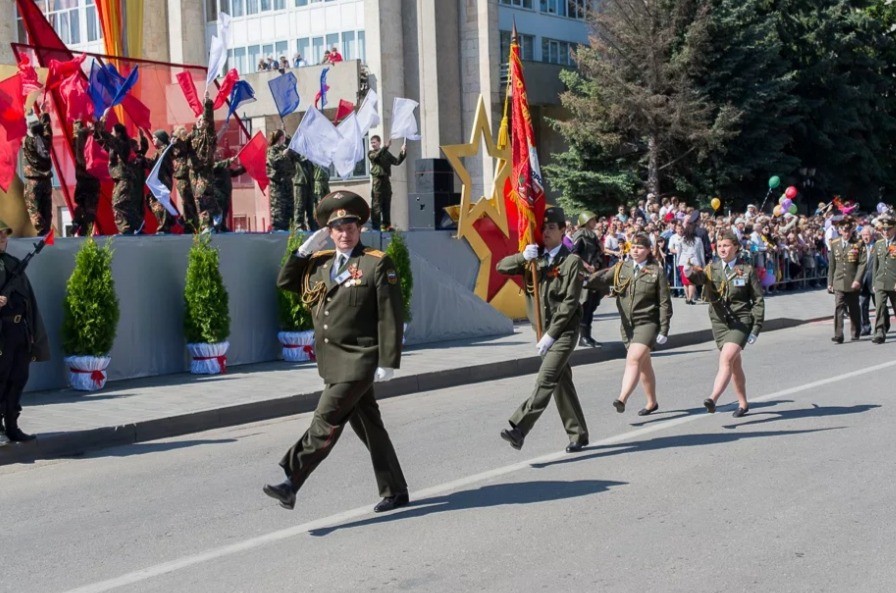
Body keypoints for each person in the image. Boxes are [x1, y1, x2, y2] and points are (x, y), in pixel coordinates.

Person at [264, 191, 408, 513]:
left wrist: (388, 360)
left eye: (351, 227)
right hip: (332, 361)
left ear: (359, 228)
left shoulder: (375, 263)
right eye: (338, 228)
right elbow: (285, 282)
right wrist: (302, 252)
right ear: (329, 232)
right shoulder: (319, 263)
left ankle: (291, 481)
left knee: (326, 419)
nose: (345, 234)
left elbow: (390, 314)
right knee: (371, 428)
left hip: (360, 360)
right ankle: (396, 490)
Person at [496, 207, 590, 453]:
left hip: (564, 331)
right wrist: (522, 257)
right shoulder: (534, 259)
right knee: (560, 382)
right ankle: (578, 434)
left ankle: (519, 428)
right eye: (543, 227)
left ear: (563, 230)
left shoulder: (572, 262)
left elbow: (570, 303)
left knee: (546, 378)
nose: (546, 232)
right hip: (542, 332)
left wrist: (551, 335)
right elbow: (501, 268)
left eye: (551, 227)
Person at [588, 233, 672, 415]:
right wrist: (581, 277)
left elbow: (665, 302)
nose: (636, 250)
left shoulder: (656, 271)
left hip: (647, 322)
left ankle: (622, 398)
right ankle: (652, 402)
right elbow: (601, 279)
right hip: (628, 325)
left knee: (633, 359)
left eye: (640, 247)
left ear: (649, 250)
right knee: (644, 365)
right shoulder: (622, 268)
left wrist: (664, 328)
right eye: (633, 247)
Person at [684, 231, 765, 417]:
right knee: (735, 365)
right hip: (720, 323)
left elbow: (758, 300)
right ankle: (743, 403)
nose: (722, 249)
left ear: (736, 247)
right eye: (719, 246)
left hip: (741, 321)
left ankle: (712, 398)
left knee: (726, 359)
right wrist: (689, 271)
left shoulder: (747, 270)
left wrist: (756, 327)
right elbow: (700, 279)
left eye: (726, 245)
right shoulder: (712, 268)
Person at [0, 220, 50, 446]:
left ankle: (12, 426)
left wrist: (32, 334)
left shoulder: (14, 264)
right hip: (1, 333)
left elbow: (29, 301)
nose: (3, 238)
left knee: (18, 379)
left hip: (19, 332)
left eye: (4, 234)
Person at [827, 216, 866, 343]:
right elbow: (832, 264)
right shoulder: (834, 244)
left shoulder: (858, 244)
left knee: (854, 308)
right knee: (839, 307)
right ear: (840, 231)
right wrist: (830, 282)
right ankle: (838, 334)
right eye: (844, 230)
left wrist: (857, 279)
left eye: (849, 230)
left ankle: (855, 332)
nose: (847, 233)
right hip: (838, 281)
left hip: (852, 281)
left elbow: (862, 263)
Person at [189, 93, 224, 231]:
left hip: (205, 170)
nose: (200, 122)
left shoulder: (208, 135)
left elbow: (209, 119)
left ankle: (216, 211)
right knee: (198, 200)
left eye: (202, 120)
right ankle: (206, 226)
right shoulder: (192, 137)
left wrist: (207, 104)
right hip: (194, 172)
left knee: (202, 193)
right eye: (198, 121)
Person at [95, 121, 137, 234]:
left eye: (113, 131)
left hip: (124, 179)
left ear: (118, 134)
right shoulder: (116, 146)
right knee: (124, 203)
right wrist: (96, 129)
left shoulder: (122, 144)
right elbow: (104, 143)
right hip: (119, 179)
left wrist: (101, 125)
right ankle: (134, 225)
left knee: (118, 203)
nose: (111, 133)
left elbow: (110, 140)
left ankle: (125, 228)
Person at [573, 210, 603, 348]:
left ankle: (588, 336)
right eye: (592, 219)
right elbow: (574, 255)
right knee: (584, 305)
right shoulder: (581, 235)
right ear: (585, 221)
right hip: (584, 275)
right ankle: (583, 337)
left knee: (591, 305)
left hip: (594, 274)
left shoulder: (592, 236)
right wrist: (586, 266)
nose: (594, 221)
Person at [22, 110, 54, 235]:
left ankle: (41, 232)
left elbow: (28, 131)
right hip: (46, 182)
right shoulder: (46, 142)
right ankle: (46, 233)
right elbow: (47, 131)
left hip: (33, 182)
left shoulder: (28, 142)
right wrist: (44, 114)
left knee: (33, 208)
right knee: (46, 209)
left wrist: (28, 114)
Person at [368, 136, 406, 231]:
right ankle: (376, 227)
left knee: (386, 204)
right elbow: (377, 157)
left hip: (386, 181)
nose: (373, 144)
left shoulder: (386, 154)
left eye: (374, 142)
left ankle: (386, 225)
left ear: (379, 142)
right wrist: (386, 147)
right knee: (376, 205)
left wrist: (402, 152)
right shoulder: (371, 153)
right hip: (377, 182)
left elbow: (396, 161)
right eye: (371, 143)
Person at [72, 120, 100, 236]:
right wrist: (93, 129)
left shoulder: (76, 146)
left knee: (81, 205)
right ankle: (85, 232)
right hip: (92, 181)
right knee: (90, 210)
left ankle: (76, 221)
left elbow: (78, 135)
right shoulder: (90, 149)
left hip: (81, 181)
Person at [871, 213, 896, 344]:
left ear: (894, 228)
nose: (886, 232)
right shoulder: (879, 244)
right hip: (880, 281)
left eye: (889, 229)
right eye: (884, 229)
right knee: (880, 307)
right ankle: (879, 333)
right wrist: (874, 282)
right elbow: (875, 265)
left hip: (894, 282)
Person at [147, 130, 176, 234]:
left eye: (155, 138)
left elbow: (172, 149)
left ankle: (165, 226)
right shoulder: (159, 151)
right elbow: (152, 164)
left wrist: (172, 141)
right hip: (159, 181)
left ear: (161, 139)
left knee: (159, 201)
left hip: (163, 181)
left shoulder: (165, 150)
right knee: (152, 200)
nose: (153, 139)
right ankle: (168, 221)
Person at [266, 129, 295, 231]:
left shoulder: (286, 148)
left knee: (290, 211)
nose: (284, 139)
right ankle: (278, 231)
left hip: (287, 183)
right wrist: (283, 155)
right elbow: (274, 161)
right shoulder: (272, 150)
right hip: (277, 185)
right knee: (279, 211)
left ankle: (290, 230)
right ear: (279, 138)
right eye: (283, 137)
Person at [171, 125, 198, 233]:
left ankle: (191, 224)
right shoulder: (177, 146)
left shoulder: (185, 143)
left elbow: (185, 142)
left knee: (189, 202)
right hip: (184, 178)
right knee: (187, 202)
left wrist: (195, 128)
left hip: (188, 176)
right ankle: (189, 224)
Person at [212, 154, 246, 233]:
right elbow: (216, 166)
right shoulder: (214, 165)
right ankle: (216, 227)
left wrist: (244, 169)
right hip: (218, 192)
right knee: (218, 211)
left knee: (225, 210)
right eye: (217, 155)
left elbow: (233, 173)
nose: (219, 156)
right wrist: (228, 161)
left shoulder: (224, 166)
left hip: (226, 192)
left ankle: (222, 226)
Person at [290, 151, 316, 230]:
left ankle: (312, 226)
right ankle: (299, 226)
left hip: (309, 183)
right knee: (299, 206)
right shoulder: (295, 151)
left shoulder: (309, 154)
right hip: (299, 182)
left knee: (310, 207)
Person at [858, 225, 877, 336]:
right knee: (862, 305)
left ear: (872, 235)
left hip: (875, 281)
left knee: (879, 306)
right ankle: (865, 327)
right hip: (862, 281)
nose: (865, 237)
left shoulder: (879, 245)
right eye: (863, 235)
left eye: (867, 235)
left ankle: (884, 324)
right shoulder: (859, 246)